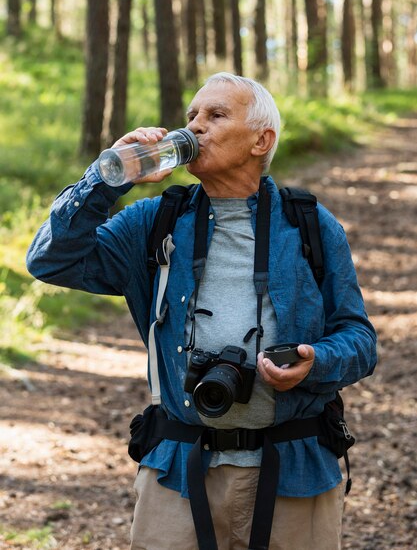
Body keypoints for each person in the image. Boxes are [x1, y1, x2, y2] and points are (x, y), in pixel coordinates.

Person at [26, 72, 377, 550]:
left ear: (261, 140)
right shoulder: (155, 221)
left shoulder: (310, 224)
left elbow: (359, 338)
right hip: (178, 469)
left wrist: (317, 361)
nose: (194, 128)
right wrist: (106, 179)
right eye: (191, 115)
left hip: (295, 470)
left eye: (215, 115)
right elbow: (51, 259)